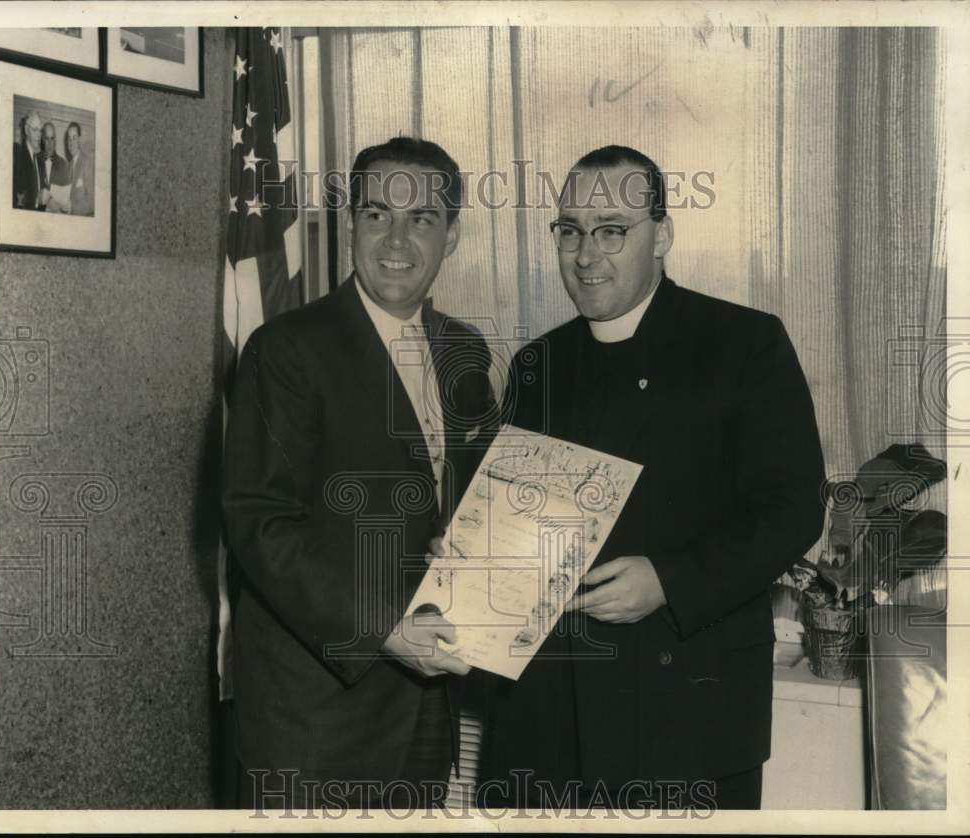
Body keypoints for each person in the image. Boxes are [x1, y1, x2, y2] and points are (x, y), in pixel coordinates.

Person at [475, 145, 826, 811]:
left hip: (687, 718)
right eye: (570, 230)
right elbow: (516, 533)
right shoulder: (535, 365)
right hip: (550, 726)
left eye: (612, 230)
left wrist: (670, 579)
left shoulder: (744, 344)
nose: (586, 254)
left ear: (661, 235)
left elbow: (793, 509)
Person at [222, 136, 497, 811]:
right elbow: (260, 524)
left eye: (422, 220)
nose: (396, 240)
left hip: (427, 717)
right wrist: (383, 629)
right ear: (350, 224)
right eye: (377, 215)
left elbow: (474, 504)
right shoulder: (285, 351)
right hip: (314, 723)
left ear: (452, 235)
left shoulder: (464, 348)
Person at [60, 122, 95, 216]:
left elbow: (92, 202)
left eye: (74, 138)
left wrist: (73, 208)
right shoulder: (67, 167)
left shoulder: (87, 162)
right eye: (69, 138)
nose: (71, 142)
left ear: (79, 140)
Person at [12, 111, 44, 210]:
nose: (39, 135)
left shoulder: (39, 160)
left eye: (40, 130)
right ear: (26, 130)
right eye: (35, 130)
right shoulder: (17, 155)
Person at [39, 121, 70, 214]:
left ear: (55, 140)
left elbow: (66, 199)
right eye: (46, 138)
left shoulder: (63, 164)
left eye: (52, 138)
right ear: (42, 140)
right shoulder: (35, 159)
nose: (49, 143)